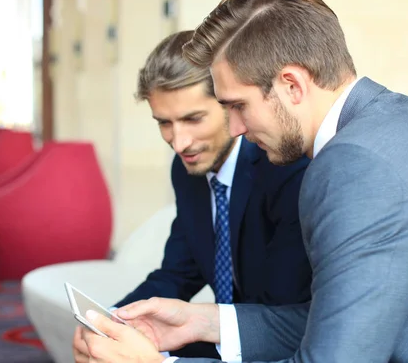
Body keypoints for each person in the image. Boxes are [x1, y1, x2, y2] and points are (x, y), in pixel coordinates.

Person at [79, 0, 408, 363]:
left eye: (238, 105)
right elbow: (346, 321)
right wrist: (205, 321)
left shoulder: (354, 165)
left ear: (292, 85)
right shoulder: (406, 123)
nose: (235, 128)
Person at [71, 30, 312, 362]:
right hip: (225, 336)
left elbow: (283, 313)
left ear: (231, 103)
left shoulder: (285, 168)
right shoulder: (187, 171)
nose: (179, 142)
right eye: (164, 123)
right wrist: (111, 321)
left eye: (193, 119)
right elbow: (179, 273)